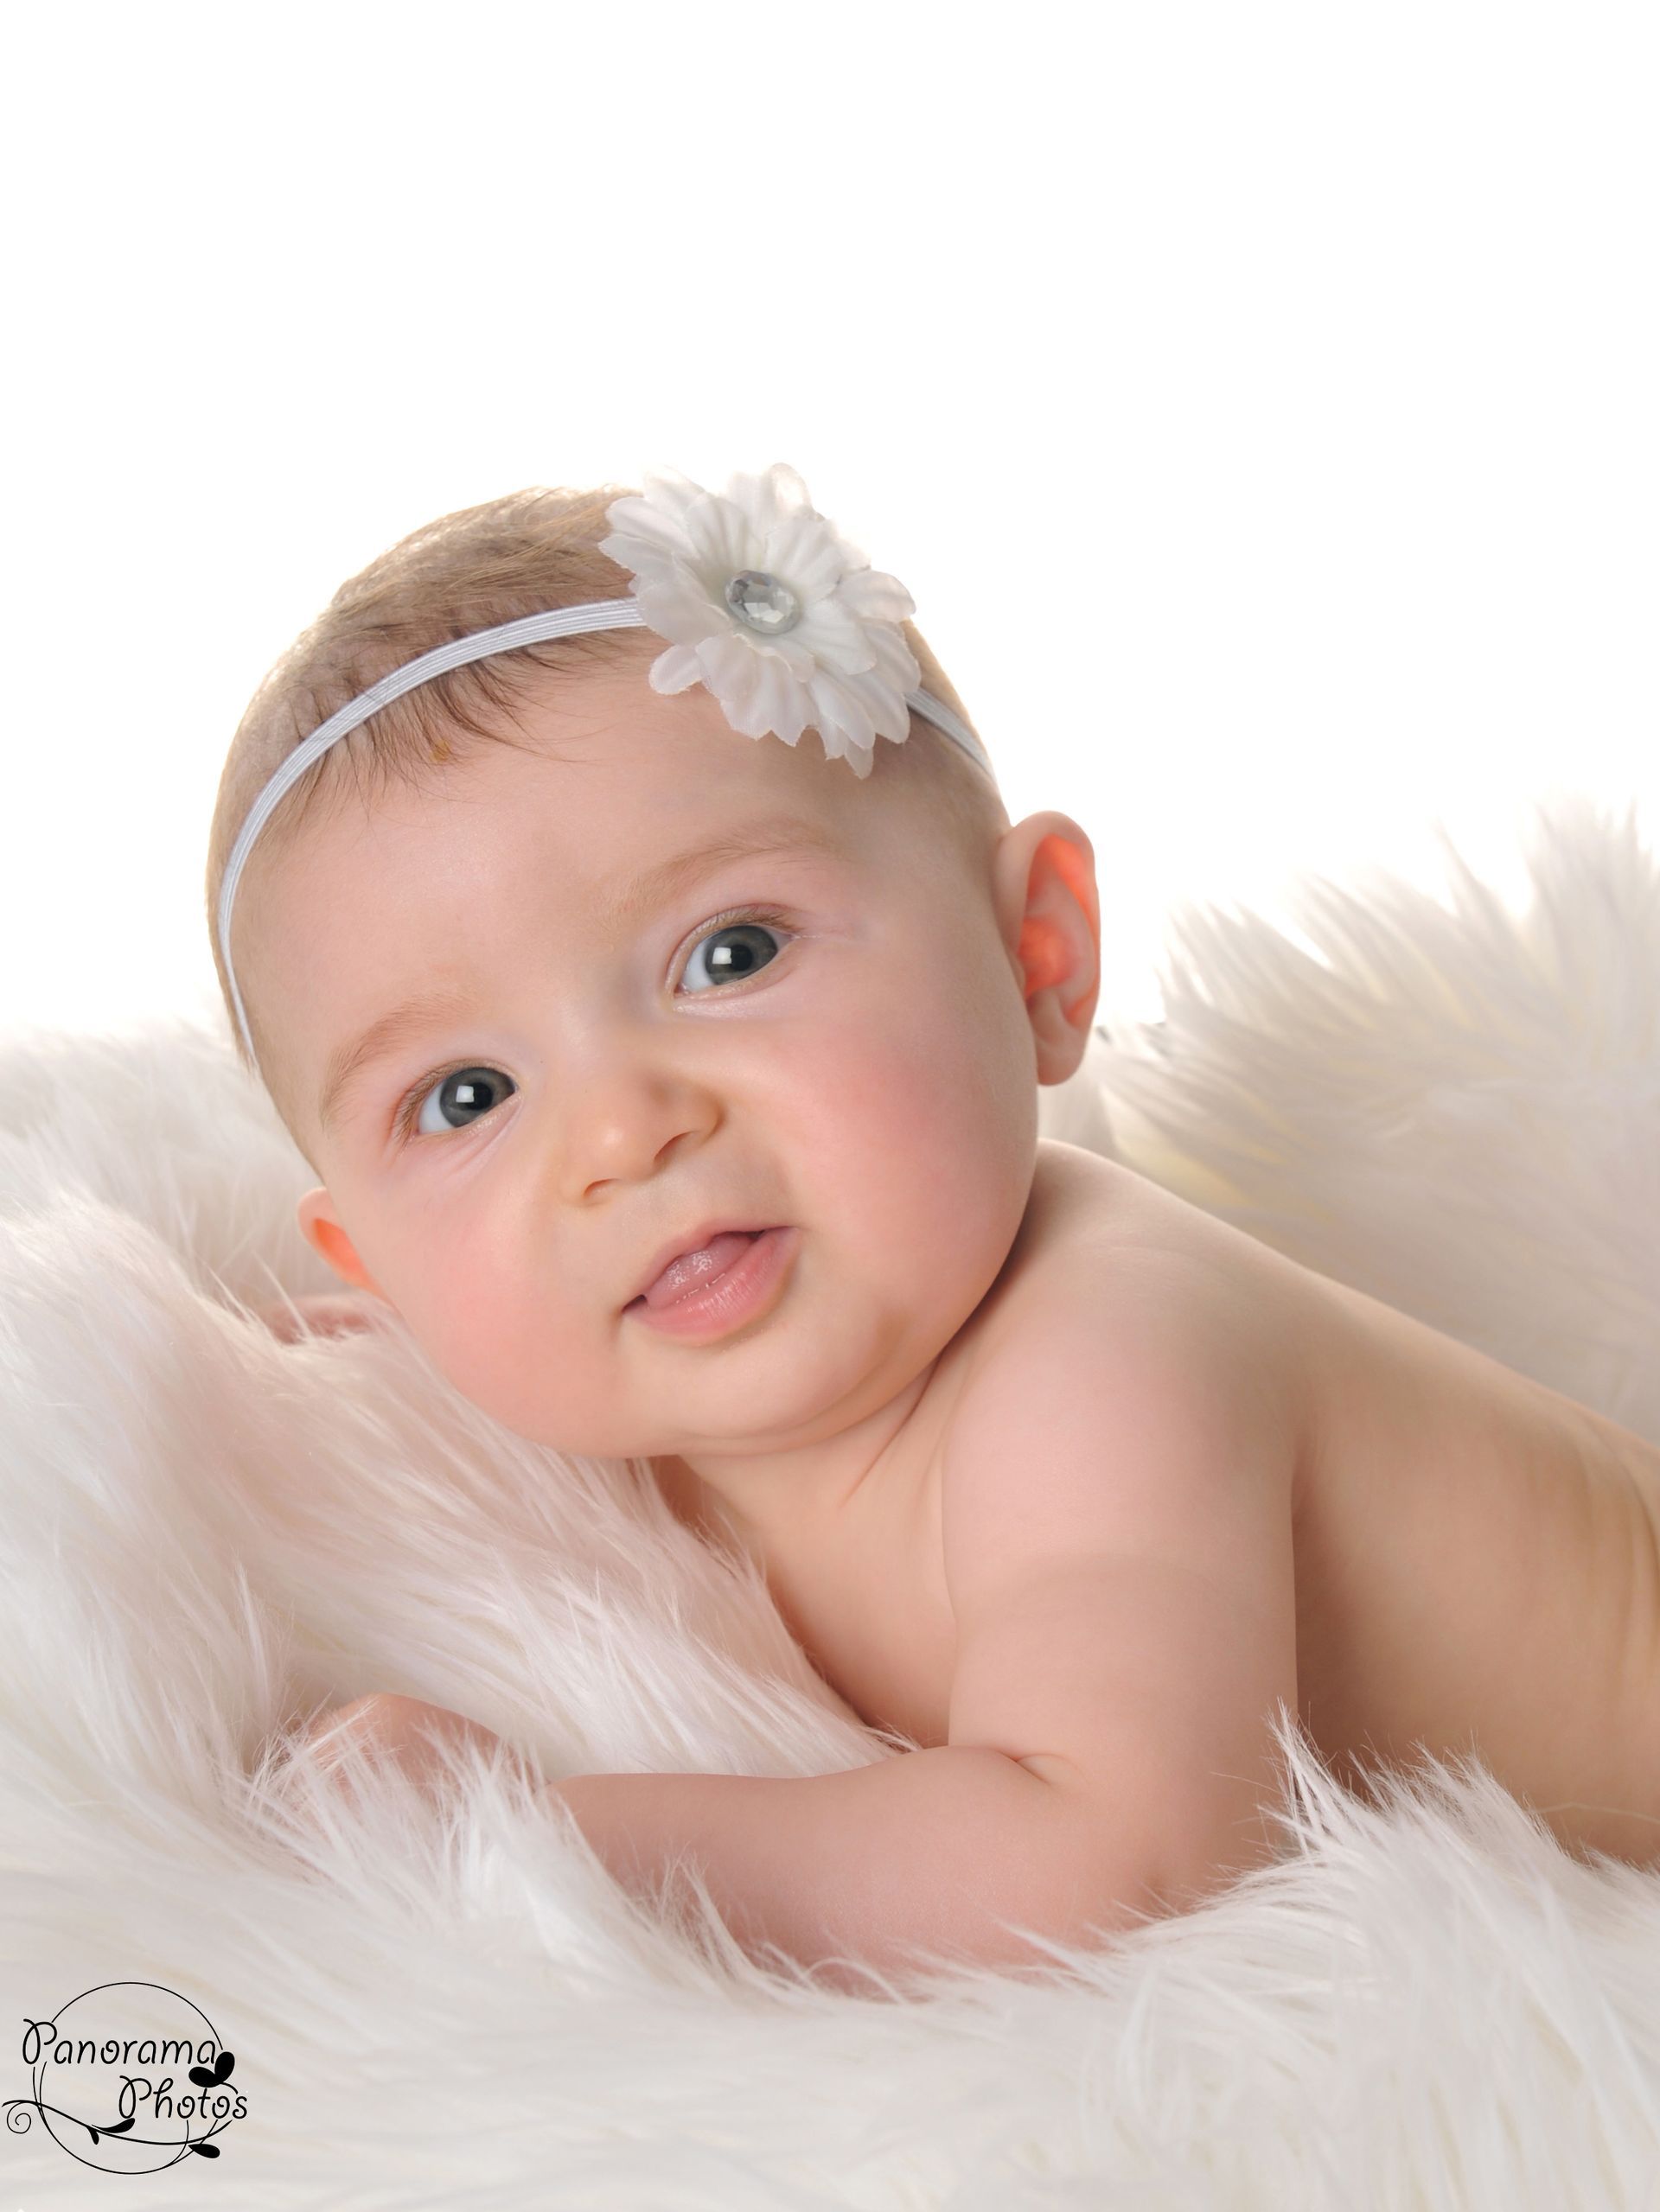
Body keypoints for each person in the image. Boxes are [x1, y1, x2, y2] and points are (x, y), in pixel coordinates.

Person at [206, 462, 1660, 1992]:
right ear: (369, 1260)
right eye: (466, 1098)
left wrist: (536, 1839)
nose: (622, 1135)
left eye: (730, 951)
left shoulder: (1102, 1362)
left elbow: (1126, 1860)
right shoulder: (645, 1373)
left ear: (1039, 952)